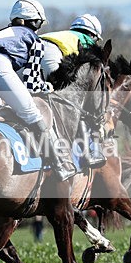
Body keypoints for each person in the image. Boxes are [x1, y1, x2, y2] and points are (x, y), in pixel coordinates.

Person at [0, 0, 75, 180]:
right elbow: (31, 83)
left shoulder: (1, 32)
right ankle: (60, 165)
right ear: (34, 22)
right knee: (33, 115)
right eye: (39, 23)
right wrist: (46, 86)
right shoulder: (35, 40)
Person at [41, 13, 106, 167]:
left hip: (30, 56)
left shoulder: (62, 35)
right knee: (76, 102)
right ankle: (88, 154)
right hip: (50, 60)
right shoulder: (87, 42)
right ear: (93, 34)